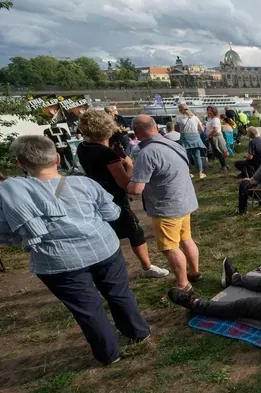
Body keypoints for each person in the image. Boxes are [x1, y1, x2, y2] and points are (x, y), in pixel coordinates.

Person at [0, 135, 149, 365]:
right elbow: (112, 214)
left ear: (21, 163)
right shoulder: (85, 183)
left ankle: (109, 354)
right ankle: (138, 332)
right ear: (58, 158)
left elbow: (7, 233)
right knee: (119, 293)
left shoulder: (14, 196)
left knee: (88, 310)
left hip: (57, 261)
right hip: (103, 248)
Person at [76, 110, 169, 278]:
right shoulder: (107, 154)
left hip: (95, 194)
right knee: (134, 231)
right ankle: (147, 267)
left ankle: (106, 270)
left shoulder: (83, 147)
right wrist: (129, 165)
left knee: (107, 233)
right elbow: (125, 183)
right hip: (114, 197)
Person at [127, 115, 201, 292]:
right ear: (154, 126)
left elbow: (136, 189)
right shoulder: (173, 144)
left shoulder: (146, 153)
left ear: (137, 132)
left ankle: (183, 284)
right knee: (186, 238)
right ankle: (194, 272)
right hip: (184, 200)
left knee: (170, 247)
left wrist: (128, 170)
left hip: (167, 207)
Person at [175, 103, 207, 179]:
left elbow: (177, 130)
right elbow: (202, 129)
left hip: (185, 137)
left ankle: (189, 173)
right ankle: (200, 173)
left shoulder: (178, 118)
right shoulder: (195, 117)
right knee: (197, 156)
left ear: (180, 110)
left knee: (187, 157)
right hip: (196, 137)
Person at [205, 106, 230, 172]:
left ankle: (224, 167)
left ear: (214, 111)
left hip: (216, 137)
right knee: (216, 152)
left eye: (210, 110)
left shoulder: (215, 119)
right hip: (213, 137)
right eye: (208, 110)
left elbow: (215, 129)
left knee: (218, 152)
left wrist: (209, 135)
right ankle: (225, 165)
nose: (209, 112)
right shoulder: (210, 119)